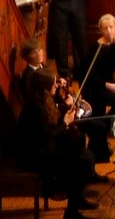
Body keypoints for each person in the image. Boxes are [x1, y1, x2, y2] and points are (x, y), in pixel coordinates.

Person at [13, 41, 100, 218]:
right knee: (81, 162)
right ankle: (71, 209)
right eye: (53, 85)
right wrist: (66, 123)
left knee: (84, 153)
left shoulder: (44, 100)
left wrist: (64, 111)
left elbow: (51, 124)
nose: (56, 88)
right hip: (34, 155)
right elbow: (48, 135)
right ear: (44, 88)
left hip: (44, 147)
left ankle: (75, 200)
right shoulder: (35, 107)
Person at [77, 13, 115, 161]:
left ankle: (102, 133)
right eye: (105, 28)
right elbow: (90, 77)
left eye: (111, 27)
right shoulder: (95, 48)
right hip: (97, 87)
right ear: (100, 31)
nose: (108, 31)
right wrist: (109, 85)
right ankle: (104, 131)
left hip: (114, 83)